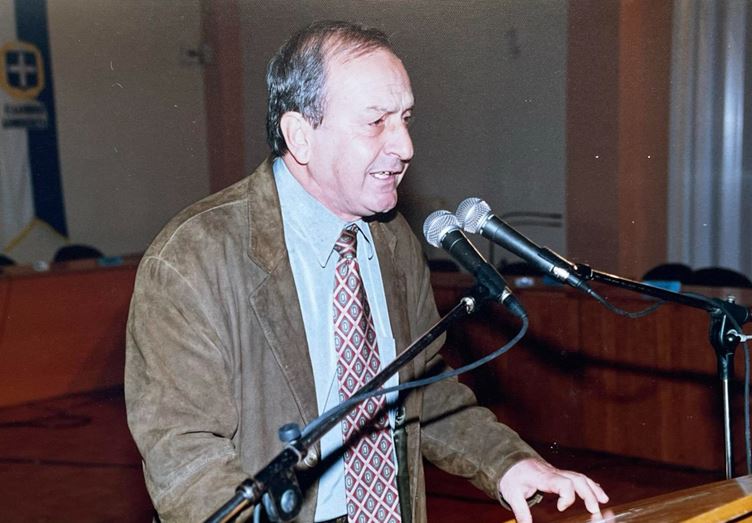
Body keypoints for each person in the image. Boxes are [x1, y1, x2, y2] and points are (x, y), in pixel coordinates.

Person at [125, 20, 608, 523]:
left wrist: (507, 463)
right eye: (376, 122)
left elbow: (421, 387)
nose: (405, 146)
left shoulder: (393, 239)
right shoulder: (192, 258)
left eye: (405, 119)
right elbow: (184, 457)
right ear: (300, 137)